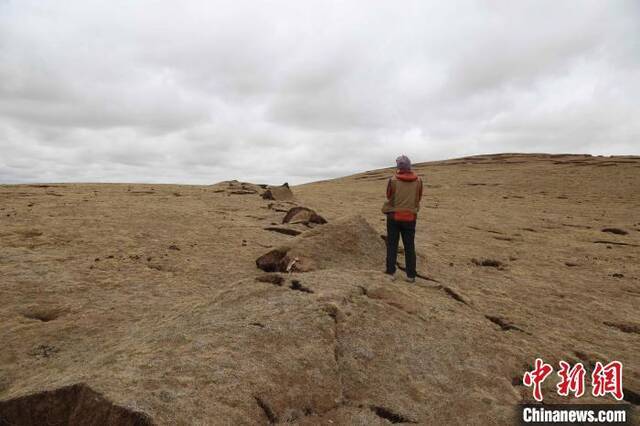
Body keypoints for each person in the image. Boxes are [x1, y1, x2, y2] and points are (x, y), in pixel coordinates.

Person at [382, 155, 423, 283]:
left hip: (394, 216)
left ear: (398, 167)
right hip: (410, 217)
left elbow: (389, 196)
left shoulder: (392, 180)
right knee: (409, 246)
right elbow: (419, 197)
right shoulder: (419, 181)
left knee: (392, 244)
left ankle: (390, 272)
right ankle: (411, 275)